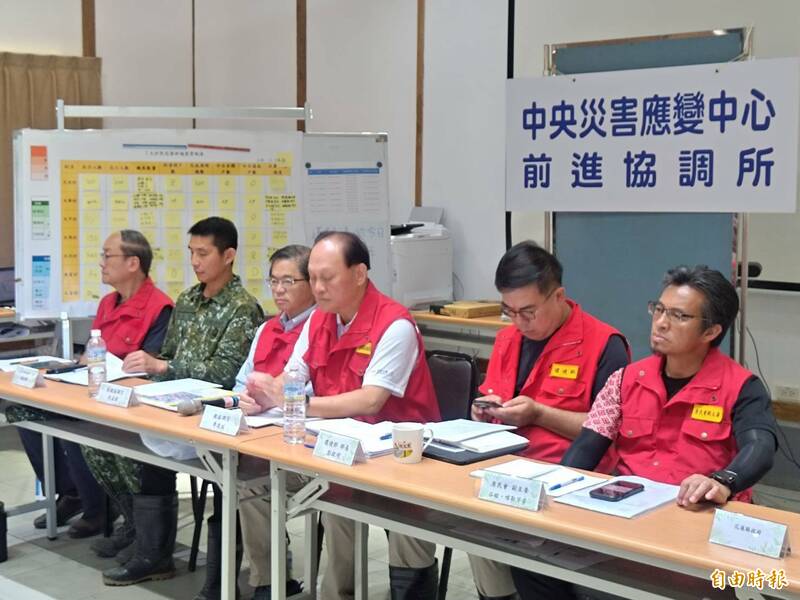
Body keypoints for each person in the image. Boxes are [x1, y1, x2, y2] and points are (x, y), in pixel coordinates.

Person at [513, 265, 778, 599]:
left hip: (698, 526)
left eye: (680, 316)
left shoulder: (741, 388)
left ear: (711, 331)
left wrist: (722, 481)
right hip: (629, 520)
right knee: (529, 562)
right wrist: (549, 493)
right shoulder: (626, 380)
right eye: (660, 309)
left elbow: (761, 446)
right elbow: (585, 448)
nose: (662, 322)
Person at [252, 231, 442, 600]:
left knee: (393, 519)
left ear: (359, 274)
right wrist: (264, 394)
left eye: (327, 277)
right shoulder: (319, 319)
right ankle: (274, 585)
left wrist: (298, 404)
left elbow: (370, 401)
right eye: (313, 278)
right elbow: (293, 376)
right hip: (336, 450)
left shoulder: (395, 324)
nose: (318, 288)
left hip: (398, 458)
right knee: (254, 481)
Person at [101, 217, 263, 589]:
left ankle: (219, 582)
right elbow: (169, 352)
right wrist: (153, 373)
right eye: (191, 252)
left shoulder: (243, 307)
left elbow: (225, 373)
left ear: (229, 255)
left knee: (226, 479)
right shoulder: (188, 299)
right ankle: (153, 556)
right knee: (146, 454)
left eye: (203, 253)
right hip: (175, 405)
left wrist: (165, 367)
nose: (195, 261)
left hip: (217, 412)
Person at [469, 241, 629, 600]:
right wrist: (484, 410)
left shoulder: (604, 344)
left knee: (529, 557)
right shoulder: (507, 339)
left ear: (559, 296)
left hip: (572, 481)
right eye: (509, 311)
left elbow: (609, 430)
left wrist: (539, 413)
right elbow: (492, 395)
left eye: (528, 312)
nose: (518, 322)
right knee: (469, 531)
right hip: (504, 472)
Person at [5, 230, 173, 540]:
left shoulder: (160, 308)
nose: (101, 263)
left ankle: (98, 508)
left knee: (77, 427)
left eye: (108, 256)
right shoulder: (108, 302)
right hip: (90, 390)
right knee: (25, 413)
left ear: (133, 263)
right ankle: (72, 493)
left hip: (126, 401)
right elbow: (92, 355)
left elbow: (149, 366)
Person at [219, 244, 315, 600]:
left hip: (298, 436)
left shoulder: (319, 329)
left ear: (313, 283)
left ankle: (272, 579)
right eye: (273, 281)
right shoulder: (266, 329)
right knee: (244, 477)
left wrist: (274, 399)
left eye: (289, 281)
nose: (278, 290)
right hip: (259, 434)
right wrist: (241, 399)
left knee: (252, 480)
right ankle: (268, 581)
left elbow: (313, 393)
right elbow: (240, 382)